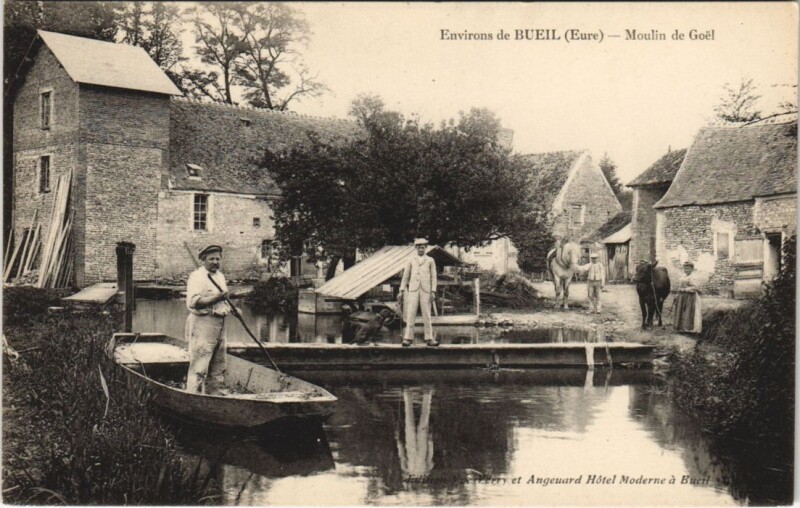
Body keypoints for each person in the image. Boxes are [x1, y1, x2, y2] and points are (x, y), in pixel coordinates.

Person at [185, 244, 232, 394]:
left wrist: (233, 309)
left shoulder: (220, 276)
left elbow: (223, 302)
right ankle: (193, 396)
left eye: (218, 259)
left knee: (219, 365)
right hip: (203, 324)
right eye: (211, 259)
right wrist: (217, 297)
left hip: (220, 325)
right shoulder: (197, 277)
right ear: (203, 260)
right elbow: (195, 303)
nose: (215, 262)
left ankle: (215, 397)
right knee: (200, 365)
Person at [399, 238, 439, 347]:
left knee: (427, 313)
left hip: (426, 290)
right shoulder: (411, 260)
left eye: (423, 247)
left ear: (426, 248)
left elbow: (434, 277)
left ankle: (429, 338)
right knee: (411, 313)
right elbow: (405, 276)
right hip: (413, 289)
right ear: (415, 248)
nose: (421, 249)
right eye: (419, 247)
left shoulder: (430, 260)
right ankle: (408, 338)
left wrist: (433, 291)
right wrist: (401, 290)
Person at [672, 260, 702, 333]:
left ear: (692, 269)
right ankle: (681, 328)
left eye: (688, 268)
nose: (686, 270)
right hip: (682, 296)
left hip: (690, 297)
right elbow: (680, 286)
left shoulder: (693, 277)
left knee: (688, 311)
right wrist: (677, 295)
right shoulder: (683, 276)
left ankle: (689, 329)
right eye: (685, 268)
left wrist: (685, 289)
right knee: (681, 311)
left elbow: (695, 287)